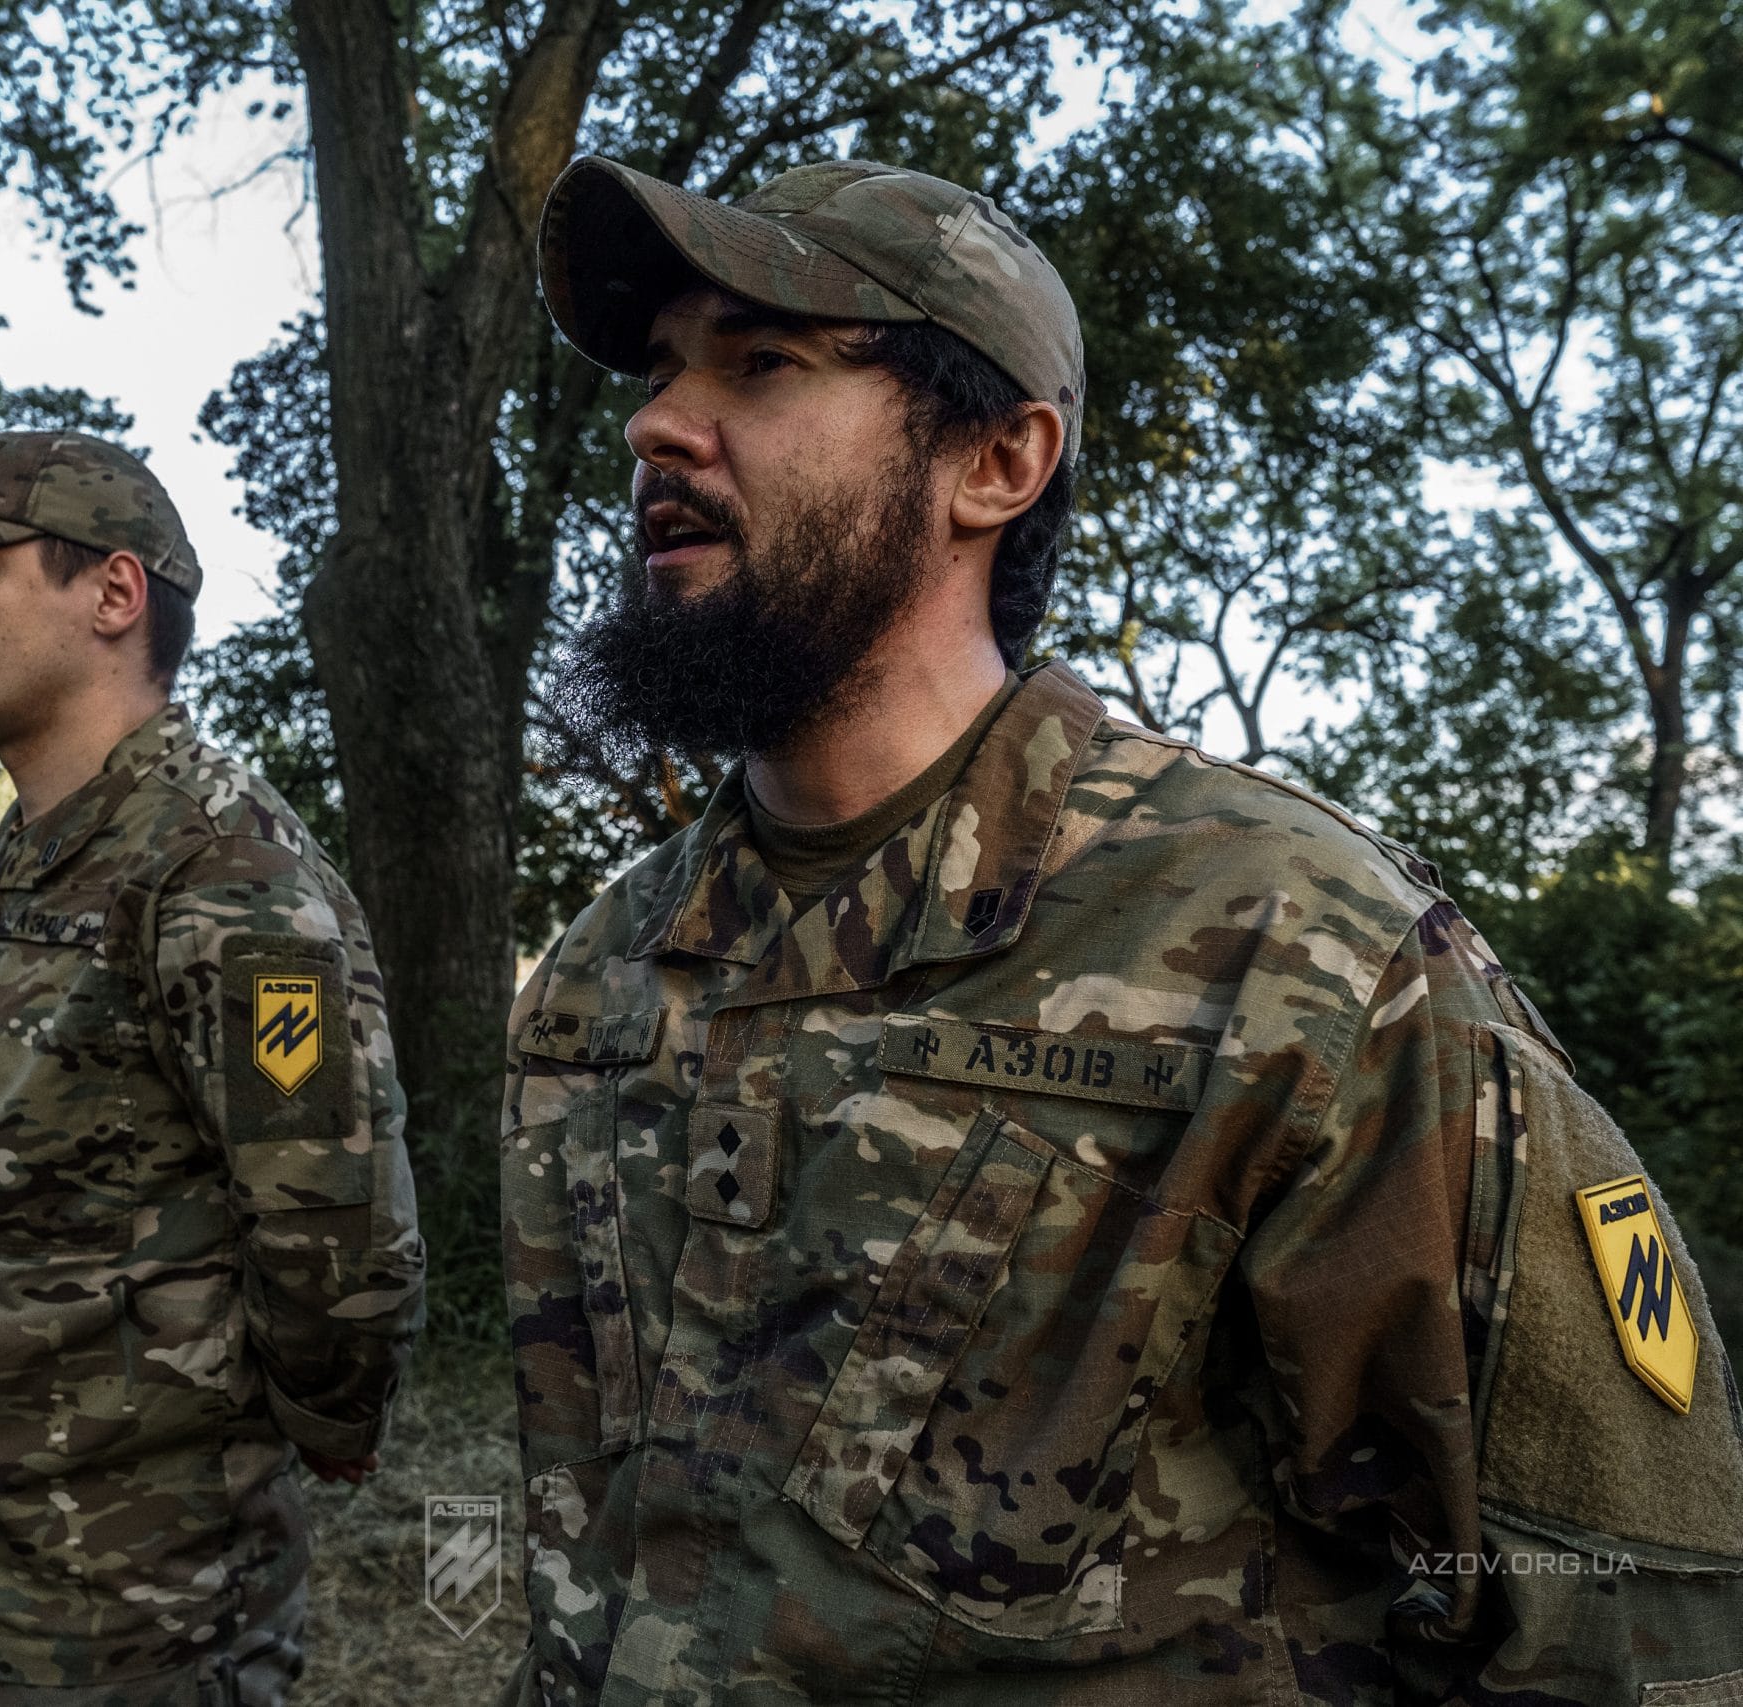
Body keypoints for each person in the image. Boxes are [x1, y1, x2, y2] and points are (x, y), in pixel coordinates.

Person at [500, 155, 1743, 1704]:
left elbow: (1629, 1624)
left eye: (761, 362)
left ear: (1000, 461)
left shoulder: (1298, 950)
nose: (658, 422)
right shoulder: (609, 966)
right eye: (665, 365)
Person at [0, 430, 426, 1706]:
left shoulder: (221, 875)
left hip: (113, 1614)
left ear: (112, 593)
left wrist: (278, 1450)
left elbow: (335, 1249)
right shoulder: (14, 872)